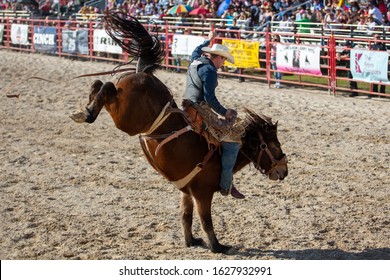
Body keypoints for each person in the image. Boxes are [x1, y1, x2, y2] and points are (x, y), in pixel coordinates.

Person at [184, 31, 245, 199]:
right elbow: (209, 98)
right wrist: (225, 112)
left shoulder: (196, 60)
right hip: (199, 107)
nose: (223, 62)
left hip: (187, 104)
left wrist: (208, 38)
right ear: (217, 57)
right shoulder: (210, 70)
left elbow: (197, 49)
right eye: (223, 59)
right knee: (232, 142)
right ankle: (226, 185)